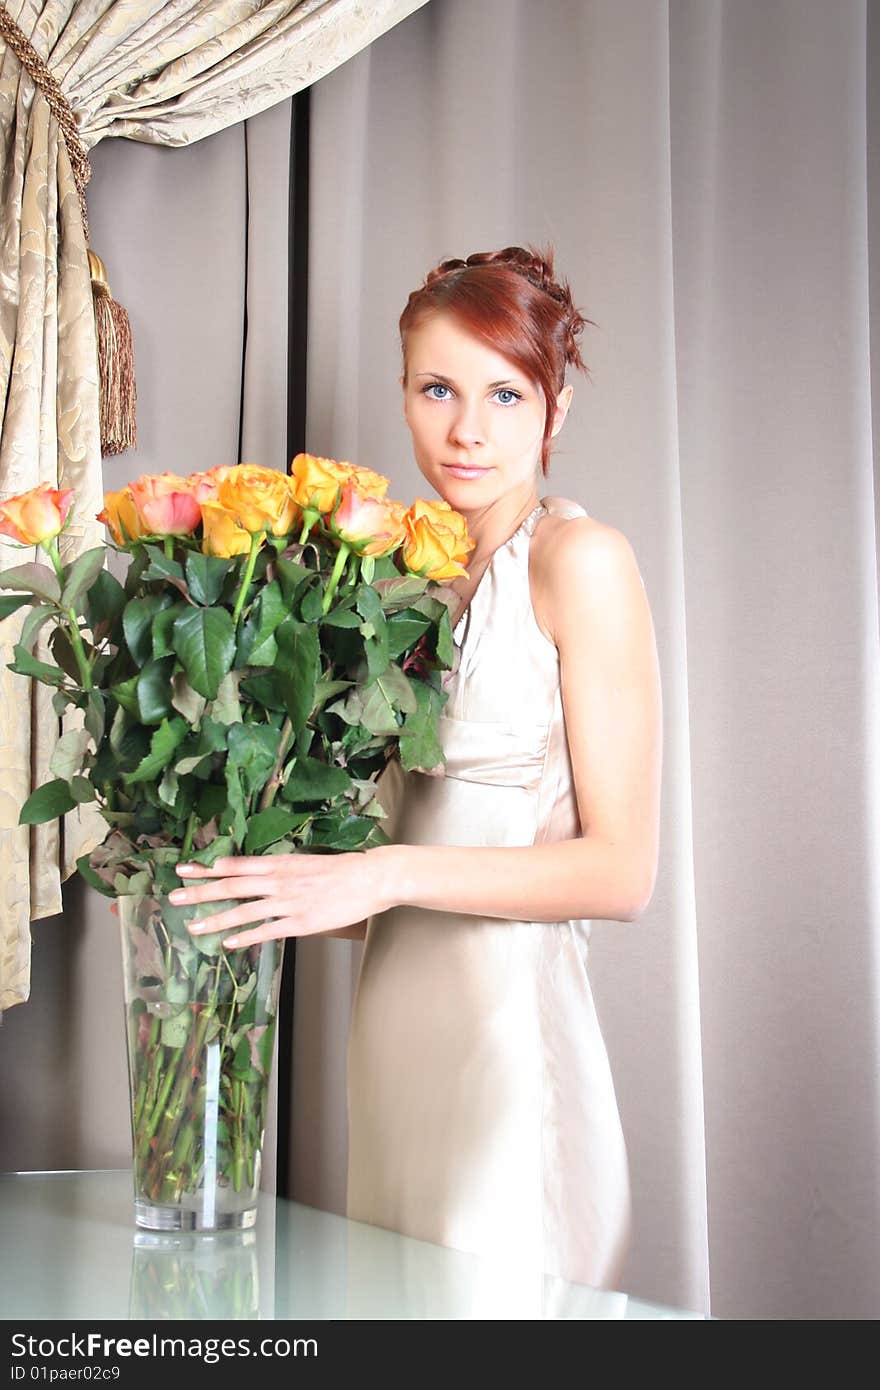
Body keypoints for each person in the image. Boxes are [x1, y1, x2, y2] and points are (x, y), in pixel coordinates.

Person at [170, 244, 663, 1293]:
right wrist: (237, 875)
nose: (466, 428)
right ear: (401, 393)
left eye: (504, 392)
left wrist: (383, 872)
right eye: (437, 388)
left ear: (556, 408)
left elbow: (621, 872)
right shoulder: (394, 585)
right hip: (393, 1052)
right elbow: (380, 877)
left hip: (506, 1056)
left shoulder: (581, 562)